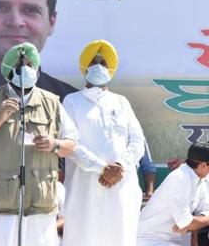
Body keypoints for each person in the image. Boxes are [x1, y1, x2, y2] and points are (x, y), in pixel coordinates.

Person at [0, 42, 77, 246]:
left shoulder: (52, 102)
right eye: (19, 64)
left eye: (30, 64)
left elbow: (71, 144)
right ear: (9, 70)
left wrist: (54, 143)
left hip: (39, 206)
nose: (25, 69)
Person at [62, 40, 146, 246]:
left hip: (121, 185)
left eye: (103, 62)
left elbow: (137, 140)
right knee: (84, 237)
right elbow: (71, 144)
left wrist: (120, 167)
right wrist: (102, 168)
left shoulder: (121, 102)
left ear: (111, 69)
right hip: (85, 186)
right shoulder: (72, 101)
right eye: (94, 62)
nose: (98, 66)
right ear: (85, 68)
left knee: (120, 236)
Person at [136, 143, 209, 246]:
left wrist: (196, 221)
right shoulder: (178, 179)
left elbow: (207, 210)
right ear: (203, 165)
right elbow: (190, 222)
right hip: (149, 240)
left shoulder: (199, 180)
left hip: (171, 241)